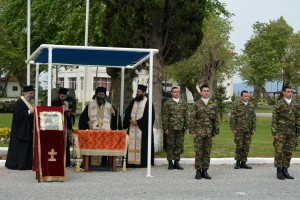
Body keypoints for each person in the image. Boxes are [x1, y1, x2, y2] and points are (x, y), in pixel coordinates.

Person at [189, 84, 219, 179]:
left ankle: (205, 171)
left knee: (207, 152)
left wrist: (215, 131)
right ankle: (198, 171)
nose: (206, 92)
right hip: (198, 132)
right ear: (201, 92)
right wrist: (193, 131)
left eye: (207, 91)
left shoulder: (213, 105)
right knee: (198, 152)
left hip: (209, 132)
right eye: (204, 91)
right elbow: (192, 119)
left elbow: (216, 119)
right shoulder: (196, 104)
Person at [272, 85, 300, 180]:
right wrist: (275, 133)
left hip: (292, 133)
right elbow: (274, 119)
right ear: (283, 92)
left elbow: (298, 119)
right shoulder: (278, 104)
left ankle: (285, 170)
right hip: (281, 133)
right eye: (288, 91)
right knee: (279, 151)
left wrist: (298, 132)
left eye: (291, 91)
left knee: (288, 152)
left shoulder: (296, 105)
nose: (290, 93)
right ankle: (279, 171)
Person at [123, 84, 155, 168]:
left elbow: (149, 116)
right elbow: (127, 112)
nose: (137, 93)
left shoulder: (148, 102)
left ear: (143, 93)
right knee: (131, 144)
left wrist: (138, 122)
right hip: (132, 127)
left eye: (139, 92)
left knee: (142, 145)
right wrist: (130, 120)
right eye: (137, 91)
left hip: (142, 129)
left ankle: (142, 163)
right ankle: (131, 162)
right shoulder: (133, 101)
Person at [5, 85, 35, 170]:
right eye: (30, 93)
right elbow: (18, 116)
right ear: (25, 93)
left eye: (33, 93)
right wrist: (30, 111)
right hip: (20, 130)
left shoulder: (28, 102)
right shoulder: (19, 102)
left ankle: (27, 164)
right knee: (20, 148)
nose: (32, 95)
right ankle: (19, 165)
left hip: (27, 128)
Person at [162, 86, 188, 170]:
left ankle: (177, 162)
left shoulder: (183, 103)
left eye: (178, 92)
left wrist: (186, 128)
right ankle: (170, 163)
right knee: (170, 145)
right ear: (171, 93)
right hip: (171, 128)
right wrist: (165, 128)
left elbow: (186, 116)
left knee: (178, 145)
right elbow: (165, 116)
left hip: (180, 128)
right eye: (175, 92)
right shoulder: (167, 103)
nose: (177, 93)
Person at [230, 90, 256, 169]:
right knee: (239, 146)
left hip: (248, 130)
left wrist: (253, 129)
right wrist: (233, 128)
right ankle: (238, 162)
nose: (247, 97)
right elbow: (233, 117)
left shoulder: (251, 106)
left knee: (246, 146)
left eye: (248, 96)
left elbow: (253, 118)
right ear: (241, 97)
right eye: (245, 96)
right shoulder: (237, 105)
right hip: (239, 130)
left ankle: (243, 162)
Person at [51, 87, 74, 167]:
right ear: (58, 95)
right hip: (56, 125)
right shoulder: (54, 102)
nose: (63, 98)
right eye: (62, 97)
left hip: (64, 124)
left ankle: (66, 162)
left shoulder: (66, 103)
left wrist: (69, 114)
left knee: (65, 142)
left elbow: (69, 112)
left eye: (64, 97)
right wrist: (62, 111)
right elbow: (53, 113)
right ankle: (57, 161)